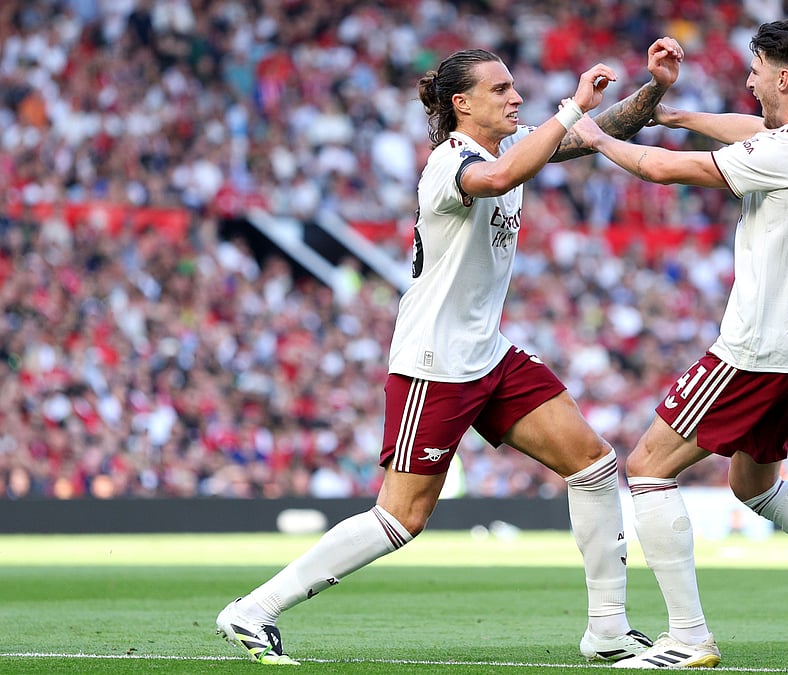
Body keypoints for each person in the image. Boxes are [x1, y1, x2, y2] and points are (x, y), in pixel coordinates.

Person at [216, 38, 685, 665]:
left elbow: (595, 134)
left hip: (488, 354)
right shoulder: (452, 161)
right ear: (462, 104)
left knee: (595, 466)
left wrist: (653, 88)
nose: (516, 96)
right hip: (434, 364)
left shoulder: (505, 151)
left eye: (516, 87)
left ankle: (607, 630)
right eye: (501, 90)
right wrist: (571, 106)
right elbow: (498, 178)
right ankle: (252, 611)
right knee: (400, 518)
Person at [572, 17, 788, 668]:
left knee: (648, 467)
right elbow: (759, 130)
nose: (748, 80)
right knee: (754, 483)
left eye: (757, 70)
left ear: (784, 77)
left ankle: (687, 636)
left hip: (756, 346)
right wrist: (674, 112)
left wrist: (593, 134)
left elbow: (660, 171)